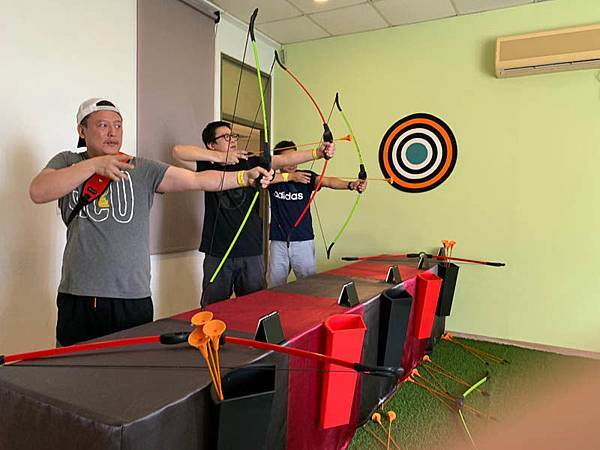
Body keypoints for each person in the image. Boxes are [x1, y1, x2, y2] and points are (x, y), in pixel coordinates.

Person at [29, 98, 273, 346]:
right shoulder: (66, 161)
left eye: (118, 125)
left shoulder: (141, 167)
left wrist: (244, 177)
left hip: (133, 296)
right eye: (103, 125)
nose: (113, 132)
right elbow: (38, 191)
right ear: (82, 130)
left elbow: (197, 180)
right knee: (72, 365)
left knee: (132, 366)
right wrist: (94, 165)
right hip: (78, 293)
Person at [172, 121, 335, 305]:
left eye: (233, 136)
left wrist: (318, 153)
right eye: (226, 137)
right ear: (211, 144)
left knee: (255, 307)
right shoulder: (206, 166)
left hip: (250, 249)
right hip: (217, 251)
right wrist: (220, 157)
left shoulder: (248, 161)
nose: (233, 140)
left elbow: (283, 160)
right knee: (214, 308)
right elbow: (177, 152)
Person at [267, 140, 367, 287]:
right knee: (275, 284)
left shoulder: (306, 176)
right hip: (278, 241)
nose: (292, 163)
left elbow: (328, 181)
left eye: (294, 158)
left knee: (309, 285)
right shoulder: (271, 179)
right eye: (287, 159)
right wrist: (290, 177)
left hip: (303, 240)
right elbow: (258, 177)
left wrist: (351, 185)